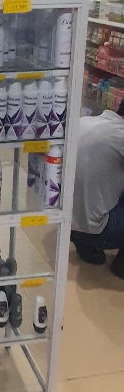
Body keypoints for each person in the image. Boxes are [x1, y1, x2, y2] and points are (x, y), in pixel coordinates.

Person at [72, 100, 124, 277]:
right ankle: (121, 267)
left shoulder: (84, 122)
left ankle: (87, 248)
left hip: (67, 222)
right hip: (96, 230)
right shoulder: (121, 135)